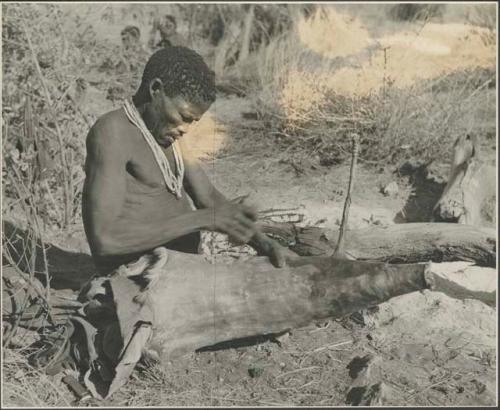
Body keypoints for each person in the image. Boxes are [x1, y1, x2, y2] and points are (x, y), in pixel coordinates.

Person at [82, 46, 293, 275]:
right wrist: (201, 219)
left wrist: (263, 243)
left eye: (193, 121)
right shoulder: (113, 132)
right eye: (183, 117)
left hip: (181, 269)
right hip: (137, 276)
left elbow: (208, 197)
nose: (185, 129)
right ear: (156, 89)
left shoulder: (164, 133)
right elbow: (105, 240)